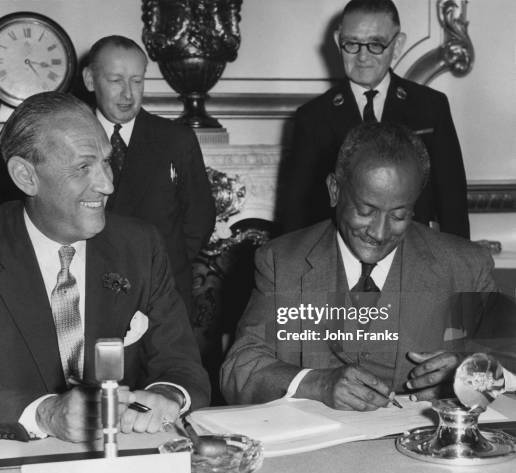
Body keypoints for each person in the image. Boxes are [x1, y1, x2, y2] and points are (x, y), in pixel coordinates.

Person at [0, 92, 209, 442]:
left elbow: (182, 364)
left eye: (106, 162)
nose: (107, 184)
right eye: (83, 167)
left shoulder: (140, 245)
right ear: (25, 176)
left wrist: (168, 395)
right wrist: (46, 414)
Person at [221, 122, 509, 410]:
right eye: (365, 211)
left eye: (398, 215)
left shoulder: (463, 266)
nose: (380, 233)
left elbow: (508, 363)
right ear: (334, 190)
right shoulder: (283, 262)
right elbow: (239, 370)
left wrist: (467, 374)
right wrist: (317, 384)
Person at [279, 0, 469, 239]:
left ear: (397, 45)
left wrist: (461, 269)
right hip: (338, 259)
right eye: (351, 44)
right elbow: (295, 216)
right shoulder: (313, 117)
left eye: (376, 45)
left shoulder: (430, 107)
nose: (362, 56)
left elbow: (453, 203)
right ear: (339, 41)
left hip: (413, 256)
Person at [82, 35, 215, 315]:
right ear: (90, 80)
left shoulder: (175, 140)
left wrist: (164, 265)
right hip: (88, 291)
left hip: (161, 294)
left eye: (137, 81)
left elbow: (199, 218)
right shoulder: (70, 139)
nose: (128, 94)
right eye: (116, 80)